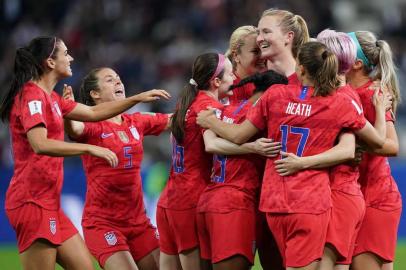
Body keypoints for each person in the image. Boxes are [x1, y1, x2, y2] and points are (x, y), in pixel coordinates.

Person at [196, 41, 387, 270]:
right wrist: (380, 110)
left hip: (273, 203)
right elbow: (378, 141)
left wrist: (210, 122)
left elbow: (237, 136)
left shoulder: (275, 95)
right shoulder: (339, 102)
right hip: (309, 203)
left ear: (301, 69)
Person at [0, 36, 170, 270]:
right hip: (31, 201)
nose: (71, 58)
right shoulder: (31, 95)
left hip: (51, 203)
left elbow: (92, 113)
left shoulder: (53, 99)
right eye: (65, 53)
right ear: (50, 62)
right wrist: (89, 147)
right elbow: (40, 144)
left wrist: (136, 98)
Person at [64, 67, 171, 270]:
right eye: (110, 80)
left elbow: (174, 120)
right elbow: (74, 129)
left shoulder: (136, 121)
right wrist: (68, 112)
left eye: (119, 78)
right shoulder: (92, 126)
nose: (118, 82)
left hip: (139, 223)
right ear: (95, 94)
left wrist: (208, 104)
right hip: (103, 224)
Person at [196, 70, 288, 270]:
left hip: (209, 200)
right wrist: (253, 147)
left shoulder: (226, 110)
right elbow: (238, 136)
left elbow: (210, 145)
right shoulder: (262, 117)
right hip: (235, 204)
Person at [156, 52, 235, 270]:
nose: (235, 77)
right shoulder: (211, 109)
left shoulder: (185, 103)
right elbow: (214, 145)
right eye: (230, 73)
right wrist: (253, 147)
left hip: (168, 200)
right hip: (191, 201)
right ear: (216, 81)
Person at [346, 31, 402, 270]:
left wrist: (355, 146)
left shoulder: (372, 94)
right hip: (358, 195)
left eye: (343, 50)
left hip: (374, 197)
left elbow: (392, 145)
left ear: (356, 63)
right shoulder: (348, 93)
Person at [256, 8, 310, 84]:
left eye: (266, 32)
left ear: (288, 37)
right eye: (258, 33)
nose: (259, 39)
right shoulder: (254, 79)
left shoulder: (306, 83)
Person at [224, 25, 267, 105]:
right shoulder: (224, 87)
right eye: (255, 51)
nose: (263, 56)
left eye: (264, 49)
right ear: (236, 55)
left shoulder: (268, 84)